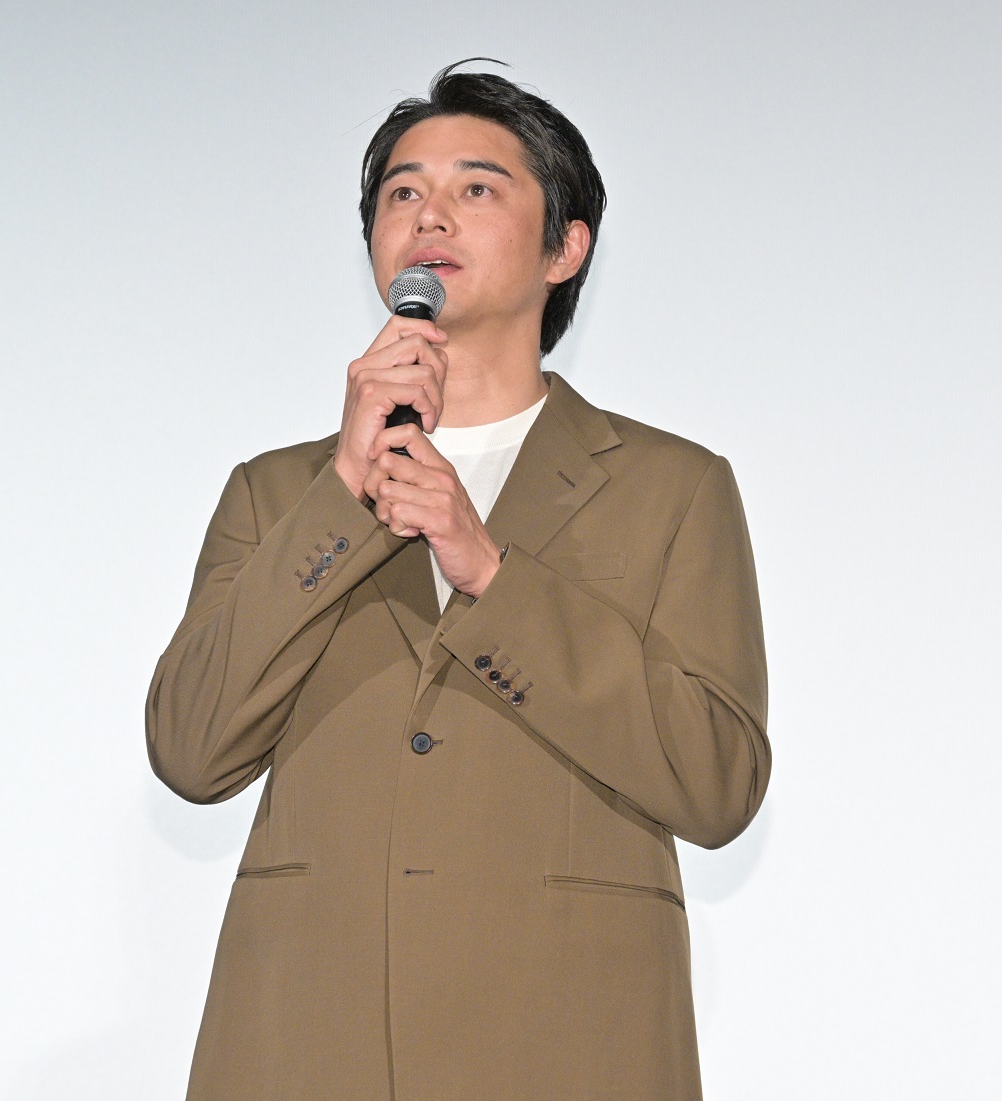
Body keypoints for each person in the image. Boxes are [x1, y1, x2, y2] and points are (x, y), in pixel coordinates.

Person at [146, 60, 770, 1101]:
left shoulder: (672, 486)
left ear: (564, 247)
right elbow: (189, 749)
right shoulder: (278, 493)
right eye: (402, 192)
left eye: (476, 187)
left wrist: (492, 575)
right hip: (309, 1041)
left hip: (568, 1043)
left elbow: (718, 782)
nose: (428, 213)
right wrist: (341, 494)